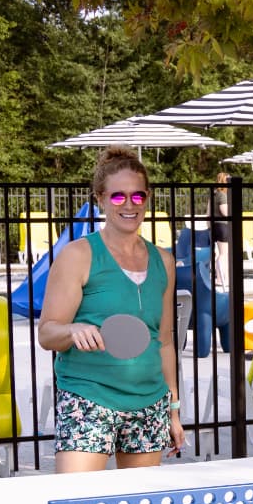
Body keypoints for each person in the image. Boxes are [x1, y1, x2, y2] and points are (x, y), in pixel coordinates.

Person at [37, 146, 186, 472]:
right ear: (101, 200)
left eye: (138, 196)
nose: (129, 204)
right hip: (88, 398)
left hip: (149, 402)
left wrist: (173, 411)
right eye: (118, 197)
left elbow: (164, 342)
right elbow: (47, 333)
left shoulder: (164, 261)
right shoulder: (78, 255)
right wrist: (71, 330)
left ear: (147, 198)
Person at [209, 171, 232, 291]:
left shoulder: (214, 194)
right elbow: (224, 211)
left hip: (215, 225)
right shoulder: (222, 195)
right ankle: (222, 278)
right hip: (223, 226)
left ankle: (221, 277)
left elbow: (208, 211)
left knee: (220, 253)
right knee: (224, 253)